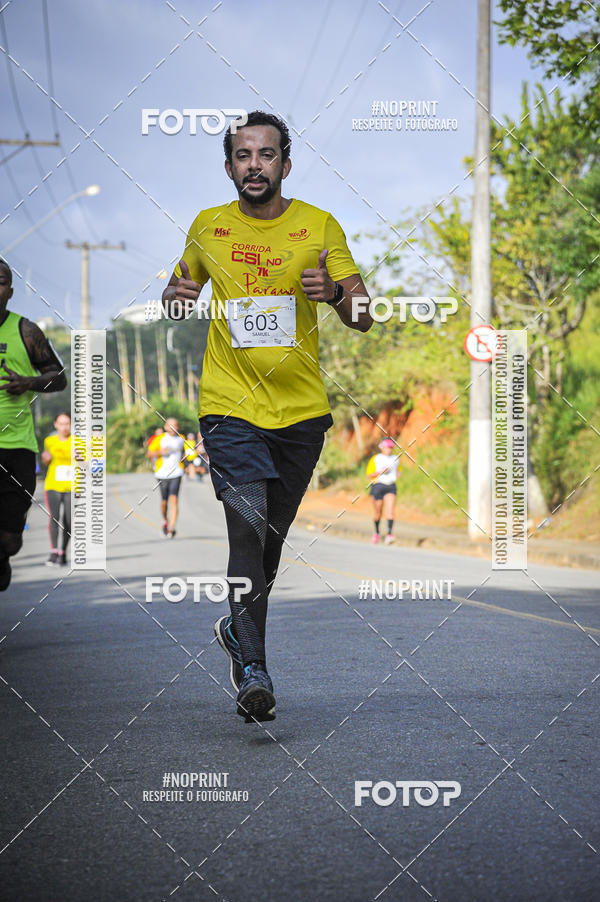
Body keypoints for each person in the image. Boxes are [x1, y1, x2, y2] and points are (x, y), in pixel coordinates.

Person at [161, 110, 373, 722]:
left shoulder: (319, 225)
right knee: (246, 522)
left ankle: (237, 627)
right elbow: (179, 296)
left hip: (302, 412)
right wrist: (175, 299)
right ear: (229, 166)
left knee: (270, 545)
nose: (255, 165)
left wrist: (334, 295)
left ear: (285, 162)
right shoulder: (207, 228)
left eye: (267, 154)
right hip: (230, 404)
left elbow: (363, 314)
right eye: (243, 155)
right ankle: (253, 668)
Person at [0, 259, 67, 590]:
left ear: (10, 292)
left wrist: (28, 382)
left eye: (0, 282)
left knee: (10, 541)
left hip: (18, 446)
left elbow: (59, 377)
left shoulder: (26, 331)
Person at [42, 412, 72, 566]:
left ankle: (63, 552)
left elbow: (86, 464)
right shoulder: (50, 441)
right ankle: (53, 551)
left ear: (71, 424)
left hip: (72, 486)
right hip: (53, 485)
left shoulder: (77, 441)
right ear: (56, 425)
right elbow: (45, 459)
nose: (64, 427)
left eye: (67, 423)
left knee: (69, 520)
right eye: (61, 423)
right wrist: (45, 458)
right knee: (54, 517)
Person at [146, 417, 185, 538]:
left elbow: (184, 452)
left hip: (177, 473)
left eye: (175, 425)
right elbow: (149, 453)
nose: (173, 428)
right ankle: (165, 521)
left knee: (174, 499)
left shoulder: (181, 439)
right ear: (166, 427)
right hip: (162, 474)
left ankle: (172, 528)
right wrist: (160, 452)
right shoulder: (160, 439)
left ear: (178, 427)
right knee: (164, 502)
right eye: (170, 425)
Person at [367, 438, 401, 545]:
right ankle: (376, 532)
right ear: (382, 447)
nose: (389, 450)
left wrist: (397, 474)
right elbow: (369, 475)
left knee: (390, 512)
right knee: (378, 512)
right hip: (378, 486)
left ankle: (389, 535)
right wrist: (380, 472)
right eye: (387, 447)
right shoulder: (376, 458)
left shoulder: (395, 459)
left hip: (390, 486)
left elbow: (398, 471)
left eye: (391, 448)